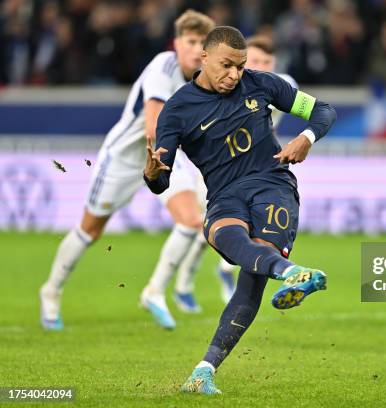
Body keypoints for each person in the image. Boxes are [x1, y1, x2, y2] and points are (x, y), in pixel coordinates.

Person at [143, 26, 336, 394]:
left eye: (240, 66)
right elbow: (159, 182)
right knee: (225, 235)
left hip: (273, 186)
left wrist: (305, 137)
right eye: (226, 66)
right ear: (204, 58)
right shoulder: (178, 110)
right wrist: (151, 173)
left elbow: (323, 111)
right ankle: (295, 273)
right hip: (224, 196)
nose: (234, 75)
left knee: (253, 274)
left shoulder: (262, 84)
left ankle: (203, 373)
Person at [39, 10, 234, 331]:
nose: (196, 48)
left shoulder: (206, 83)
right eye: (190, 40)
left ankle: (154, 291)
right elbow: (154, 126)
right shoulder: (163, 66)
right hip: (125, 158)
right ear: (177, 43)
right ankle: (51, 290)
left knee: (190, 221)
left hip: (164, 157)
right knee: (90, 230)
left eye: (202, 42)